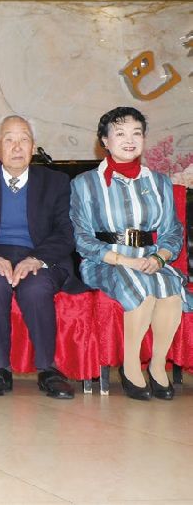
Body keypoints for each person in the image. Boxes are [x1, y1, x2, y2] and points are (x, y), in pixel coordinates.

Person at [0, 115, 78, 399]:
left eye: (24, 139)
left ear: (33, 147)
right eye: (9, 139)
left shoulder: (56, 182)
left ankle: (48, 369)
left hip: (40, 257)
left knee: (35, 287)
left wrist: (37, 259)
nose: (17, 146)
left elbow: (65, 232)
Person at [69, 106, 187, 401]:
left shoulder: (158, 182)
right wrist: (124, 260)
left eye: (137, 133)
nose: (129, 140)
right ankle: (131, 365)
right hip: (105, 260)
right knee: (141, 286)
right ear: (105, 141)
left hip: (150, 257)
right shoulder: (85, 183)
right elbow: (82, 238)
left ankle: (157, 366)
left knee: (170, 289)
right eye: (120, 133)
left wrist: (159, 258)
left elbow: (173, 230)